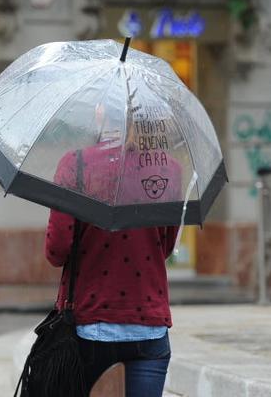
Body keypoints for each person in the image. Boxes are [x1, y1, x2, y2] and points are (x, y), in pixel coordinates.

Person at [44, 110, 183, 397]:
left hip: (91, 327)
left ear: (101, 113)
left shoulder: (76, 165)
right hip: (150, 328)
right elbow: (165, 247)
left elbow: (57, 250)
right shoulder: (169, 169)